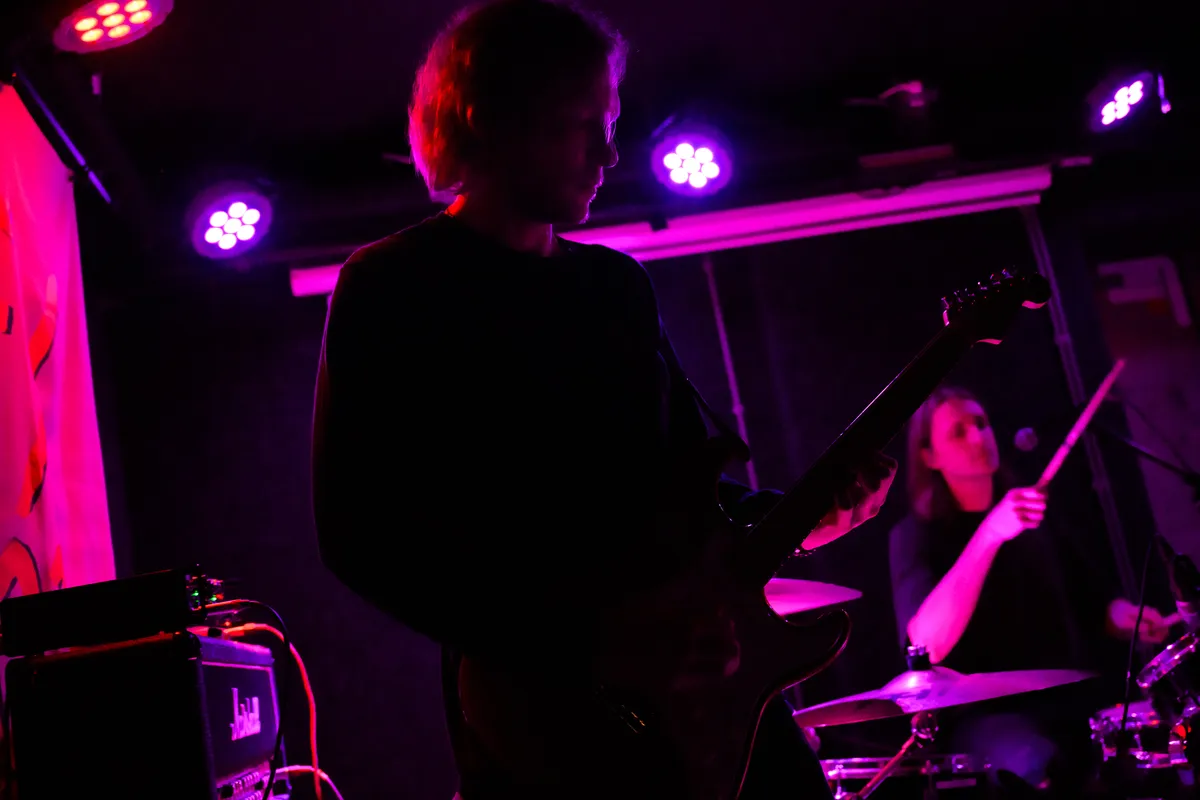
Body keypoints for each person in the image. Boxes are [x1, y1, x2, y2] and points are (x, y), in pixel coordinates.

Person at [311, 1, 896, 797]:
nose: (609, 152)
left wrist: (803, 516)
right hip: (543, 713)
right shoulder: (394, 286)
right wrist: (591, 644)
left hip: (700, 688)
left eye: (610, 122)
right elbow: (361, 535)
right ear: (492, 119)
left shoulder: (616, 287)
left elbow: (682, 489)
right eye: (580, 124)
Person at [888, 386, 1171, 793]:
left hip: (1068, 700)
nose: (978, 437)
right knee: (1040, 765)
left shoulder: (1033, 513)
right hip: (985, 719)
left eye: (981, 423)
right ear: (929, 457)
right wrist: (990, 534)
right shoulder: (915, 536)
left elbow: (1095, 603)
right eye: (958, 432)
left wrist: (1128, 617)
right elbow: (926, 645)